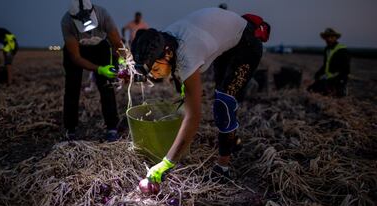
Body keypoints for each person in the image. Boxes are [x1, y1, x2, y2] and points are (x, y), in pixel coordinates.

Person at [131, 8, 270, 183]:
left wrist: (166, 163)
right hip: (226, 44)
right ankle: (232, 140)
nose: (154, 76)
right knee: (221, 92)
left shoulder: (186, 54)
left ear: (168, 53)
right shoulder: (163, 41)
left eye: (156, 69)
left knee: (224, 103)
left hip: (247, 43)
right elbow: (179, 74)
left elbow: (194, 116)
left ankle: (223, 168)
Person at [61, 0, 124, 141]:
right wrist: (99, 69)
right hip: (77, 49)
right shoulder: (66, 22)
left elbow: (117, 42)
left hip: (99, 47)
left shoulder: (103, 14)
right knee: (72, 88)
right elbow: (76, 58)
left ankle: (112, 127)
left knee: (107, 86)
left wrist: (122, 60)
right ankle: (70, 129)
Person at [308, 28, 350, 97]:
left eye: (331, 37)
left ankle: (342, 89)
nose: (329, 39)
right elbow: (325, 65)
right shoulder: (327, 49)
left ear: (336, 38)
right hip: (329, 78)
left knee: (326, 92)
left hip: (338, 78)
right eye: (327, 37)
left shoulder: (342, 50)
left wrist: (342, 81)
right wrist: (318, 74)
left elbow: (346, 69)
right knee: (310, 89)